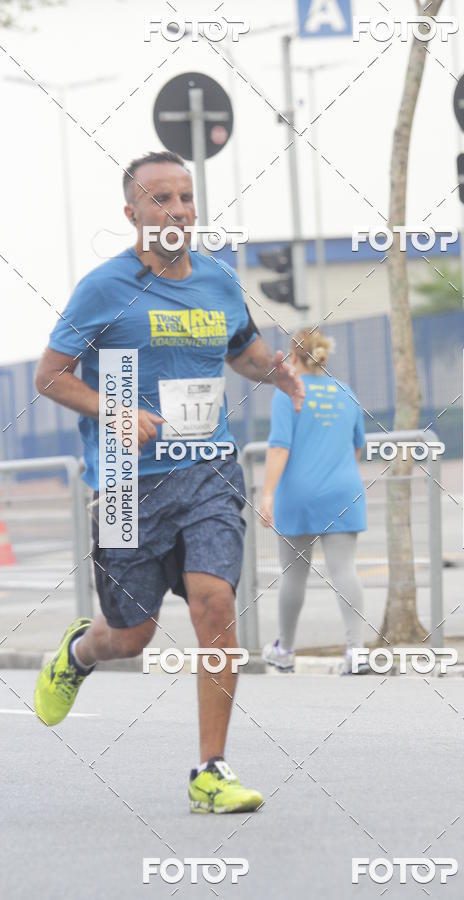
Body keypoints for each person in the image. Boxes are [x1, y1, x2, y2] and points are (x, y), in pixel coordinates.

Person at [32, 150, 304, 814]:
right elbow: (50, 376)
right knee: (132, 636)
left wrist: (280, 369)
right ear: (133, 213)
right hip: (127, 484)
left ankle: (211, 770)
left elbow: (242, 351)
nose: (178, 209)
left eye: (185, 197)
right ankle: (80, 651)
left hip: (208, 470)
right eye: (161, 199)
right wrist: (114, 410)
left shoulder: (217, 280)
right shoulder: (103, 288)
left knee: (216, 606)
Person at [258, 328, 368, 675]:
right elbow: (357, 447)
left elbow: (279, 446)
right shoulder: (346, 393)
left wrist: (267, 494)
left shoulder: (288, 394)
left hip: (298, 495)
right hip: (343, 491)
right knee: (345, 570)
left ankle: (285, 649)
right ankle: (357, 651)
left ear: (293, 355)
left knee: (293, 576)